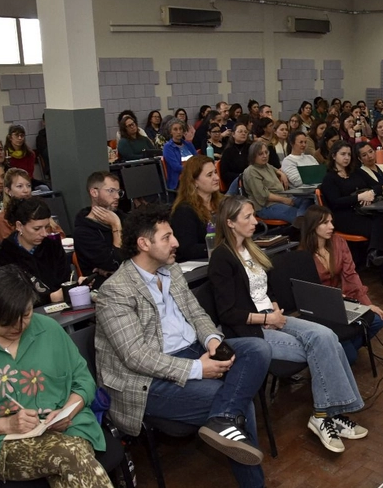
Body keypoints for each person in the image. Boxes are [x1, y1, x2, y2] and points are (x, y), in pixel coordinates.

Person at [95, 205, 269, 486]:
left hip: (191, 351)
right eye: (167, 237)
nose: (176, 242)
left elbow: (197, 314)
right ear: (144, 243)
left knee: (258, 349)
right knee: (239, 403)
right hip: (146, 382)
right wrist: (197, 368)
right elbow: (135, 356)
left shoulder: (170, 270)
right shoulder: (115, 291)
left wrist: (213, 341)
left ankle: (221, 420)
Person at [208, 196, 367, 454]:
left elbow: (263, 289)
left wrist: (274, 307)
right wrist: (266, 318)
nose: (254, 221)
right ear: (230, 223)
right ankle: (325, 415)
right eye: (247, 217)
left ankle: (328, 415)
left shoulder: (250, 249)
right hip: (252, 330)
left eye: (253, 215)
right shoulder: (222, 259)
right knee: (322, 345)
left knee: (328, 337)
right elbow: (228, 313)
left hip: (273, 317)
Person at [0, 265, 112, 487]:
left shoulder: (48, 329)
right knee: (71, 456)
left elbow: (83, 380)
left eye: (26, 314)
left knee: (69, 457)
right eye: (7, 322)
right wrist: (7, 424)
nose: (20, 326)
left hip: (68, 427)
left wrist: (68, 410)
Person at [299, 205, 383, 364]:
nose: (331, 227)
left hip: (344, 300)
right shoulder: (303, 254)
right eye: (325, 223)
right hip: (323, 308)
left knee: (377, 319)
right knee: (351, 357)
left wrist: (367, 304)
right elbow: (309, 293)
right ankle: (341, 349)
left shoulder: (338, 242)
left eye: (331, 222)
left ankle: (340, 348)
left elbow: (351, 275)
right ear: (313, 226)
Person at [320, 141, 383, 291]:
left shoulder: (356, 172)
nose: (346, 158)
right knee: (379, 229)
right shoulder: (329, 178)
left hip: (362, 211)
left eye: (349, 154)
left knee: (382, 219)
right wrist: (358, 197)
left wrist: (370, 194)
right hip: (342, 216)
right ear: (334, 156)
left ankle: (374, 252)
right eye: (343, 154)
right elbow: (335, 202)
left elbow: (377, 186)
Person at [0, 198, 70, 307]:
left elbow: (65, 278)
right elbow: (10, 298)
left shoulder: (53, 246)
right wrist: (50, 297)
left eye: (46, 227)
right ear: (19, 226)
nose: (44, 233)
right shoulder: (3, 257)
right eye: (37, 228)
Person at [74, 172, 125, 288]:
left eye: (118, 192)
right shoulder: (83, 232)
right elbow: (114, 264)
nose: (117, 196)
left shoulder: (124, 218)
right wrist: (116, 226)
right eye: (111, 191)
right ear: (94, 192)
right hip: (107, 289)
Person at [242, 142, 310, 224]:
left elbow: (276, 170)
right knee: (305, 218)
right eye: (260, 154)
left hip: (282, 198)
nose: (265, 156)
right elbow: (263, 195)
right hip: (267, 206)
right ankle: (300, 218)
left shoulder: (266, 165)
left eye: (266, 152)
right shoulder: (251, 171)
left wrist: (281, 173)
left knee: (309, 200)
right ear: (253, 156)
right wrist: (284, 200)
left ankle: (300, 216)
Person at [171, 156, 222, 262]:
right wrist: (225, 246)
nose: (216, 178)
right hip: (198, 266)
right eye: (209, 175)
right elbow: (188, 249)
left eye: (215, 172)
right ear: (194, 182)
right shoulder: (184, 211)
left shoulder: (222, 202)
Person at [162, 119, 197, 191]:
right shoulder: (168, 147)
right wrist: (192, 170)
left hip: (194, 174)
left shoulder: (188, 144)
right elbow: (176, 167)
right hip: (179, 178)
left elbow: (197, 159)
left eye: (180, 129)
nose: (179, 132)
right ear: (170, 132)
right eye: (175, 129)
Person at [220, 124, 251, 190]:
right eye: (240, 131)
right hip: (235, 183)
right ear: (233, 134)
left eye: (245, 132)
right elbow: (225, 174)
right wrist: (241, 176)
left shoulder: (251, 148)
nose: (243, 133)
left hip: (251, 180)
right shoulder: (228, 152)